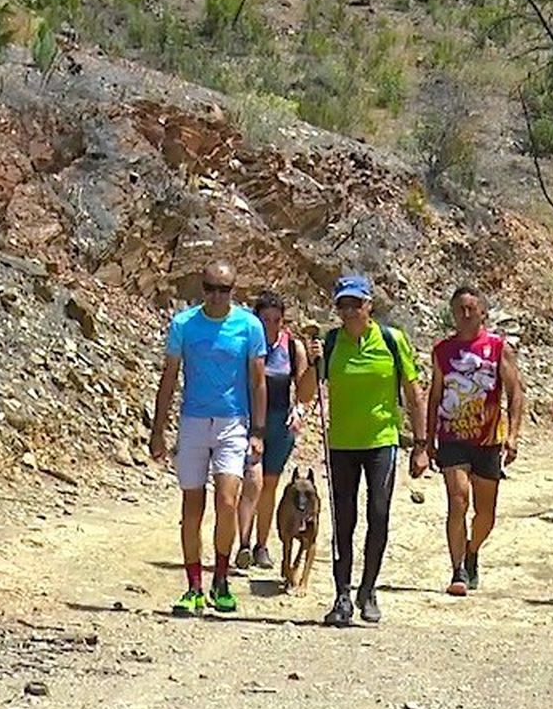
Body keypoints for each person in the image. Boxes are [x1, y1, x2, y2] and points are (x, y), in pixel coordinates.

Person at [150, 261, 268, 616]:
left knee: (228, 502)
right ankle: (193, 585)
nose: (217, 296)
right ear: (201, 289)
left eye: (225, 289)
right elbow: (169, 376)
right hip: (193, 421)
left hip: (233, 422)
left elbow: (258, 380)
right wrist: (157, 430)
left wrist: (258, 432)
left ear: (234, 290)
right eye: (210, 288)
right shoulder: (184, 324)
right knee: (192, 507)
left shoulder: (249, 326)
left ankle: (221, 577)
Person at [317, 274, 429, 626]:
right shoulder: (331, 343)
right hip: (341, 443)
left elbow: (413, 394)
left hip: (382, 441)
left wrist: (421, 445)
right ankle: (342, 595)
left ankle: (369, 589)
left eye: (355, 304)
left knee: (378, 515)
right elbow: (307, 391)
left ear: (370, 305)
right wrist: (310, 362)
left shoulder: (392, 341)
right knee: (343, 521)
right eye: (343, 305)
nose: (349, 311)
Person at [427, 286, 525, 596]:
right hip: (452, 436)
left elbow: (516, 391)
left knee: (486, 514)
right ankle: (457, 570)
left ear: (483, 311)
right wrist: (427, 438)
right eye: (460, 309)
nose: (466, 315)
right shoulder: (443, 350)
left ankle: (472, 551)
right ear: (452, 313)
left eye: (472, 308)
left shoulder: (498, 348)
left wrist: (513, 434)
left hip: (488, 439)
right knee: (458, 500)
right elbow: (435, 394)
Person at [235, 291, 317, 570]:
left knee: (270, 484)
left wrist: (300, 411)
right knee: (251, 481)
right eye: (265, 319)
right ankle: (243, 544)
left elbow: (305, 389)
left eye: (276, 320)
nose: (271, 325)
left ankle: (261, 546)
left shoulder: (293, 348)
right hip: (250, 420)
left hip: (281, 422)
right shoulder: (247, 344)